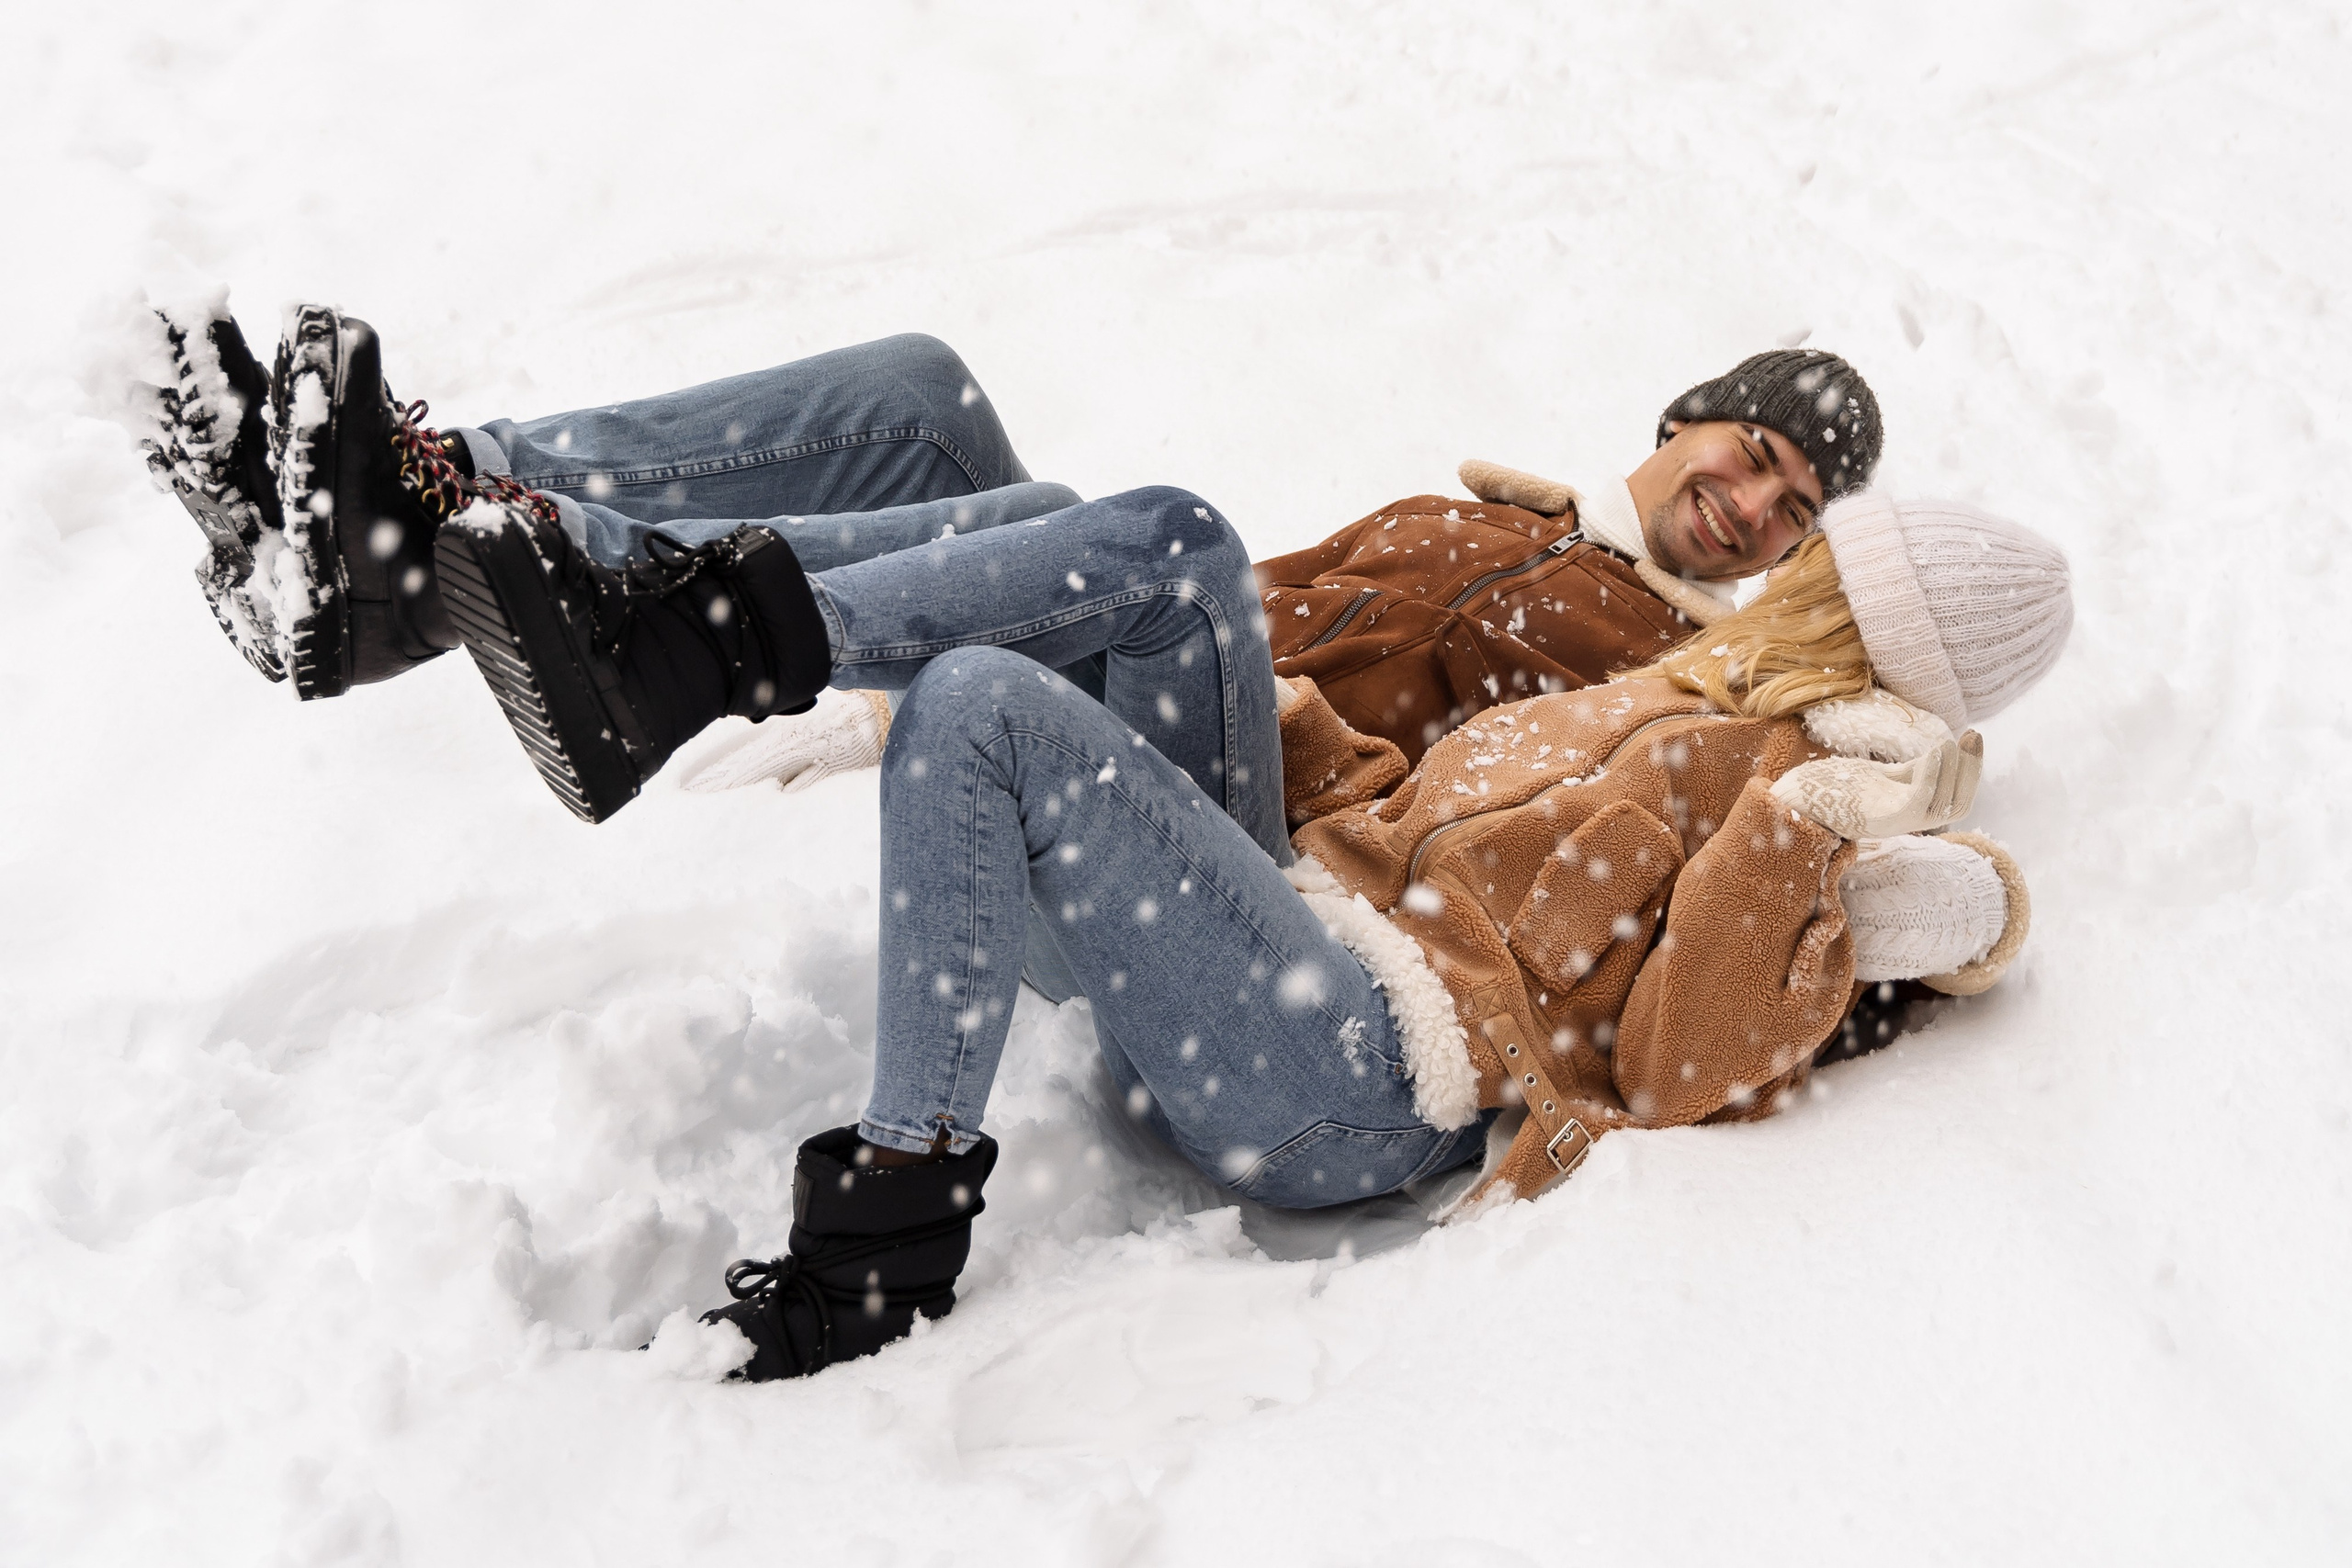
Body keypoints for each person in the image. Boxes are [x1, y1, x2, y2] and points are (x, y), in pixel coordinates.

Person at [138, 301, 2071, 1384]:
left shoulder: (1668, 680)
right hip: (1185, 738)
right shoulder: (1486, 524)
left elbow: (1627, 944)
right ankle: (425, 526)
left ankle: (646, 627)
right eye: (1745, 456)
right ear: (1684, 420)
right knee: (930, 408)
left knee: (1154, 538)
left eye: (1793, 513)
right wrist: (1033, 605)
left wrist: (1896, 873)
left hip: (1247, 877)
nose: (1749, 510)